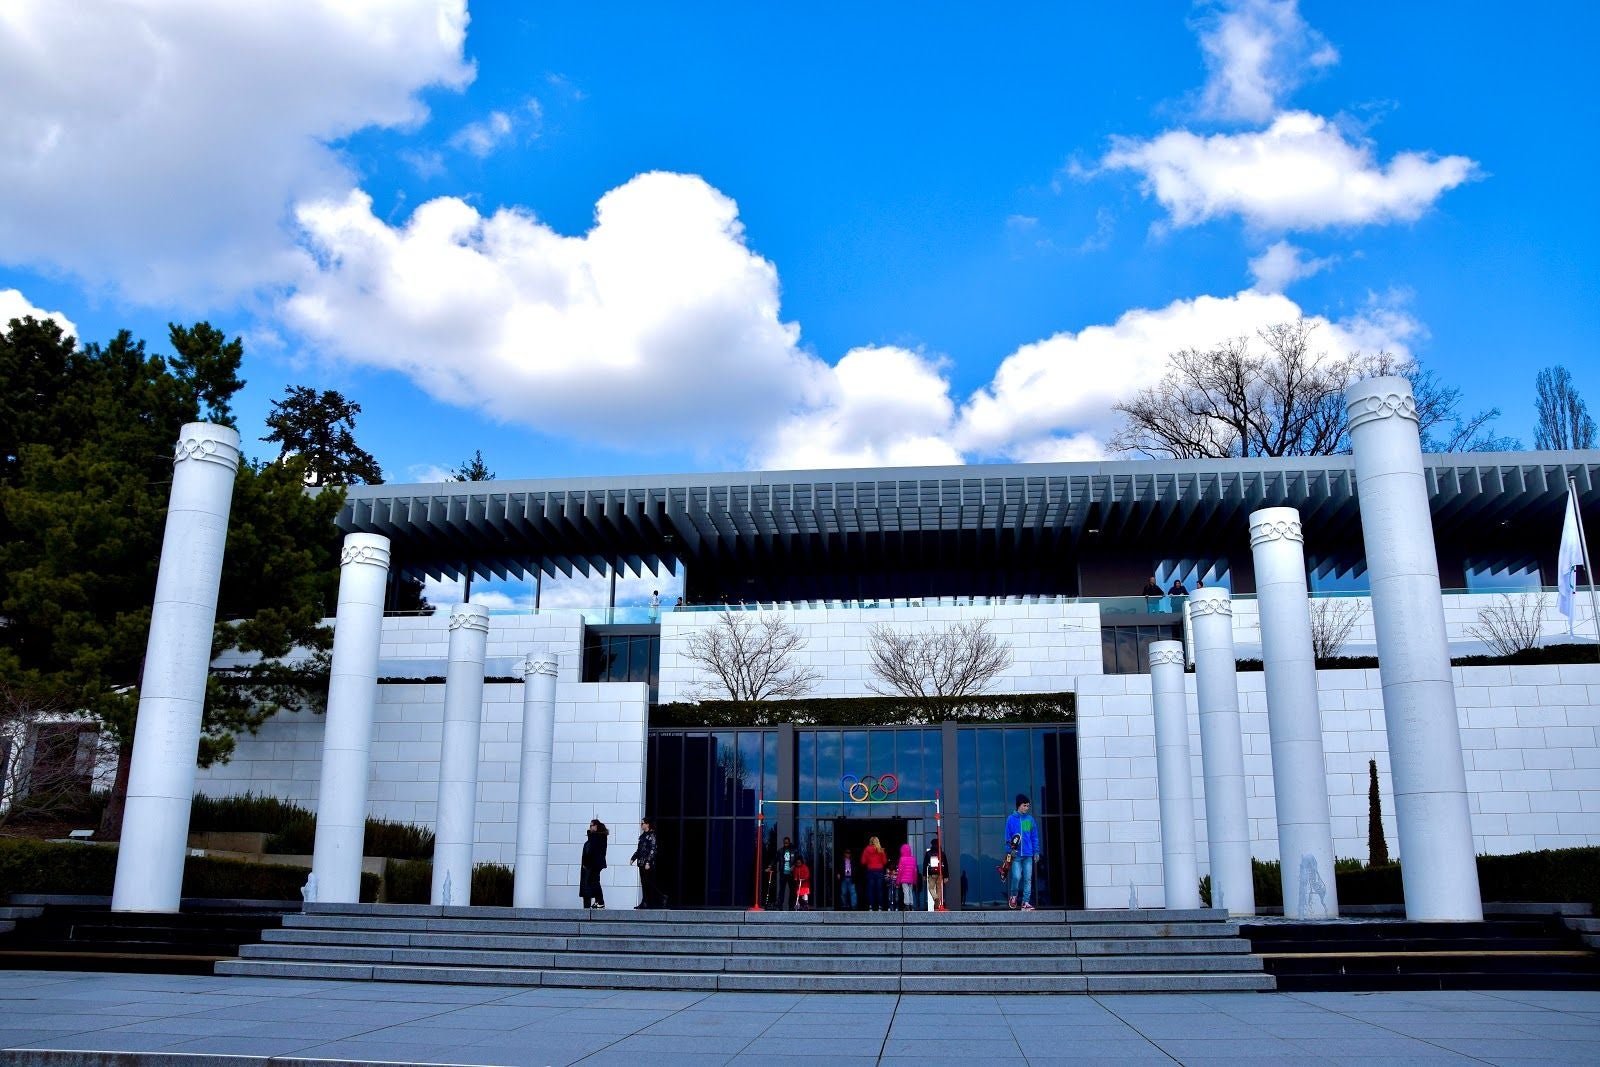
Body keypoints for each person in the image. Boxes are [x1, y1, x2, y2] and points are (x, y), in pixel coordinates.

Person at [1005, 794, 1042, 911]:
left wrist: (1036, 852)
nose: (1027, 808)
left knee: (1027, 879)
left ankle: (1025, 902)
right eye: (1025, 805)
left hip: (1028, 855)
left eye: (1028, 806)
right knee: (1016, 877)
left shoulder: (1029, 820)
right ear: (1019, 806)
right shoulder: (1011, 819)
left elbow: (1034, 837)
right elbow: (1007, 837)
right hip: (1016, 855)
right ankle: (1013, 897)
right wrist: (1010, 851)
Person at [630, 817, 664, 909]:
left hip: (647, 864)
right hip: (641, 863)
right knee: (644, 883)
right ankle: (645, 902)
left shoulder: (652, 835)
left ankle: (661, 897)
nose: (641, 825)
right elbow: (639, 849)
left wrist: (648, 862)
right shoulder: (643, 836)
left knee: (648, 882)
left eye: (643, 823)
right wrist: (633, 858)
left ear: (647, 824)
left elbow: (653, 850)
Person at [580, 818, 609, 909]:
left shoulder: (598, 837)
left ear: (596, 826)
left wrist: (586, 863)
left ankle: (600, 901)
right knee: (594, 881)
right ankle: (598, 901)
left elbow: (592, 851)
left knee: (593, 881)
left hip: (595, 864)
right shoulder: (599, 836)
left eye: (592, 825)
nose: (590, 827)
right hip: (596, 863)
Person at [861, 836, 888, 911]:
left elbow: (863, 862)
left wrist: (869, 861)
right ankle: (880, 906)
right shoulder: (881, 850)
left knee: (870, 889)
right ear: (877, 841)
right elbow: (885, 862)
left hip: (870, 871)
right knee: (879, 890)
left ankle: (870, 906)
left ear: (870, 841)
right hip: (879, 871)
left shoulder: (866, 849)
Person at [923, 837, 949, 911]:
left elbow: (925, 865)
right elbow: (946, 865)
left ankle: (935, 898)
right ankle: (937, 906)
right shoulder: (942, 853)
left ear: (932, 844)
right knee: (939, 889)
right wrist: (946, 876)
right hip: (940, 873)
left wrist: (924, 875)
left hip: (932, 874)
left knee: (931, 888)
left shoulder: (928, 853)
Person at [775, 836, 800, 910]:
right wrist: (770, 866)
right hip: (783, 874)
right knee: (781, 890)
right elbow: (775, 860)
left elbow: (798, 861)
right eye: (784, 842)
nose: (786, 843)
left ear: (789, 842)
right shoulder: (780, 851)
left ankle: (791, 906)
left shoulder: (794, 851)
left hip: (791, 874)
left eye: (787, 842)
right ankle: (780, 906)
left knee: (792, 891)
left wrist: (794, 866)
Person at [896, 843, 917, 910]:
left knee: (906, 891)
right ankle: (911, 904)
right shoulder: (913, 859)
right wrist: (914, 879)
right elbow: (915, 871)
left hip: (904, 879)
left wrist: (898, 881)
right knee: (910, 891)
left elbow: (900, 871)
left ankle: (907, 905)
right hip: (911, 879)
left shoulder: (902, 859)